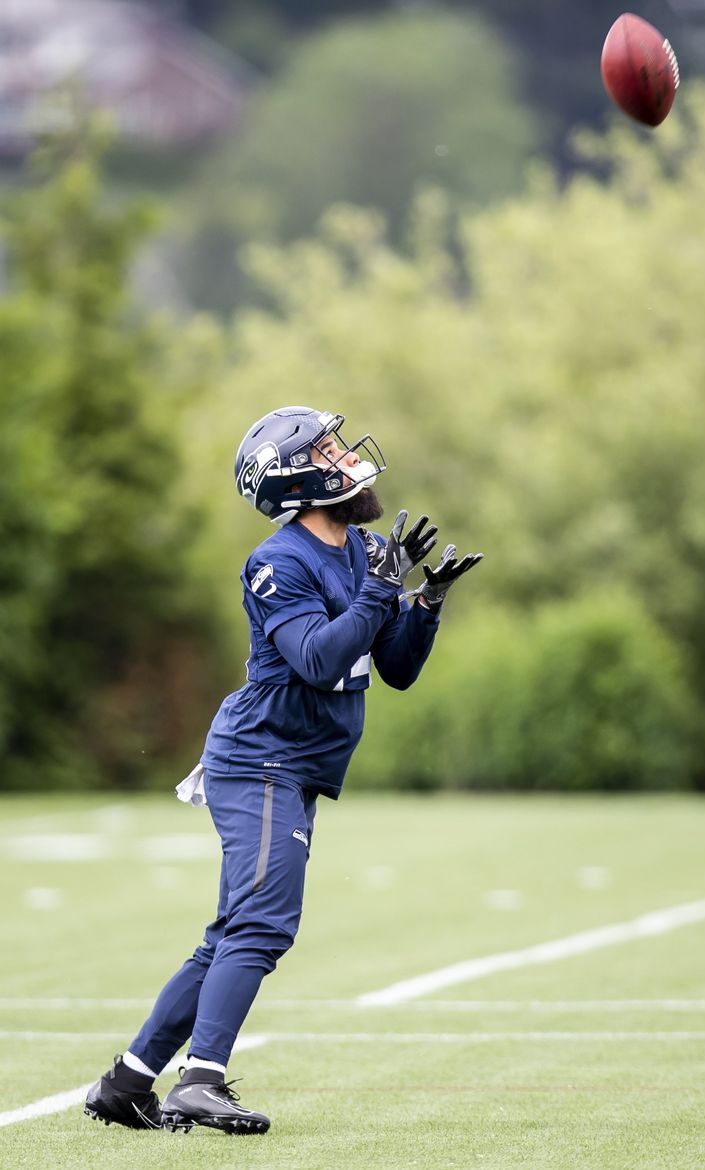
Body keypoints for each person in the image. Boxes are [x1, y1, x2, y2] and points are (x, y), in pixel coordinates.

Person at [84, 405, 482, 1134]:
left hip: (294, 763)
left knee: (233, 931)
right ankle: (198, 1080)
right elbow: (317, 657)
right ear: (297, 477)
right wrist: (378, 590)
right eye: (326, 450)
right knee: (263, 924)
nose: (345, 458)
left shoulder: (361, 550)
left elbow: (392, 669)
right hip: (260, 759)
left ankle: (127, 1082)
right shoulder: (277, 561)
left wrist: (423, 603)